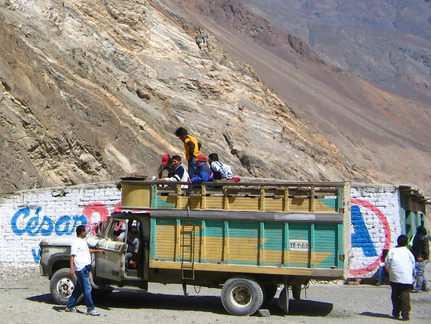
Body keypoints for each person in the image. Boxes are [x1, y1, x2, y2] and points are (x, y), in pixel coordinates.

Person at [66, 225, 106, 316]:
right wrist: (72, 268)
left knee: (79, 288)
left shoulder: (82, 241)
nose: (86, 233)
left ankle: (70, 305)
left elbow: (87, 250)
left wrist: (98, 251)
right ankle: (90, 309)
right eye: (85, 231)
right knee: (87, 289)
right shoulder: (75, 242)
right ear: (81, 232)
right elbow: (72, 256)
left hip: (86, 267)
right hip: (81, 268)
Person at [385, 234, 415, 321]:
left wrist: (389, 270)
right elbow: (413, 265)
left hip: (395, 277)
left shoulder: (392, 251)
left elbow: (387, 263)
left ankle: (396, 312)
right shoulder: (409, 253)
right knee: (405, 295)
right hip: (406, 278)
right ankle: (405, 315)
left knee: (395, 294)